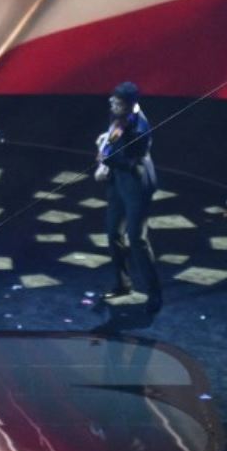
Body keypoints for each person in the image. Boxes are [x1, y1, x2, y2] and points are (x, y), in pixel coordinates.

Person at [95, 81, 162, 313]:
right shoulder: (119, 117)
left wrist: (108, 161)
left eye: (117, 101)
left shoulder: (140, 129)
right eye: (112, 99)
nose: (112, 103)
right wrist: (104, 149)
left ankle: (154, 293)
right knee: (114, 232)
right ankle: (123, 284)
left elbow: (128, 162)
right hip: (118, 185)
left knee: (137, 239)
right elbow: (111, 139)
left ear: (129, 104)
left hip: (136, 185)